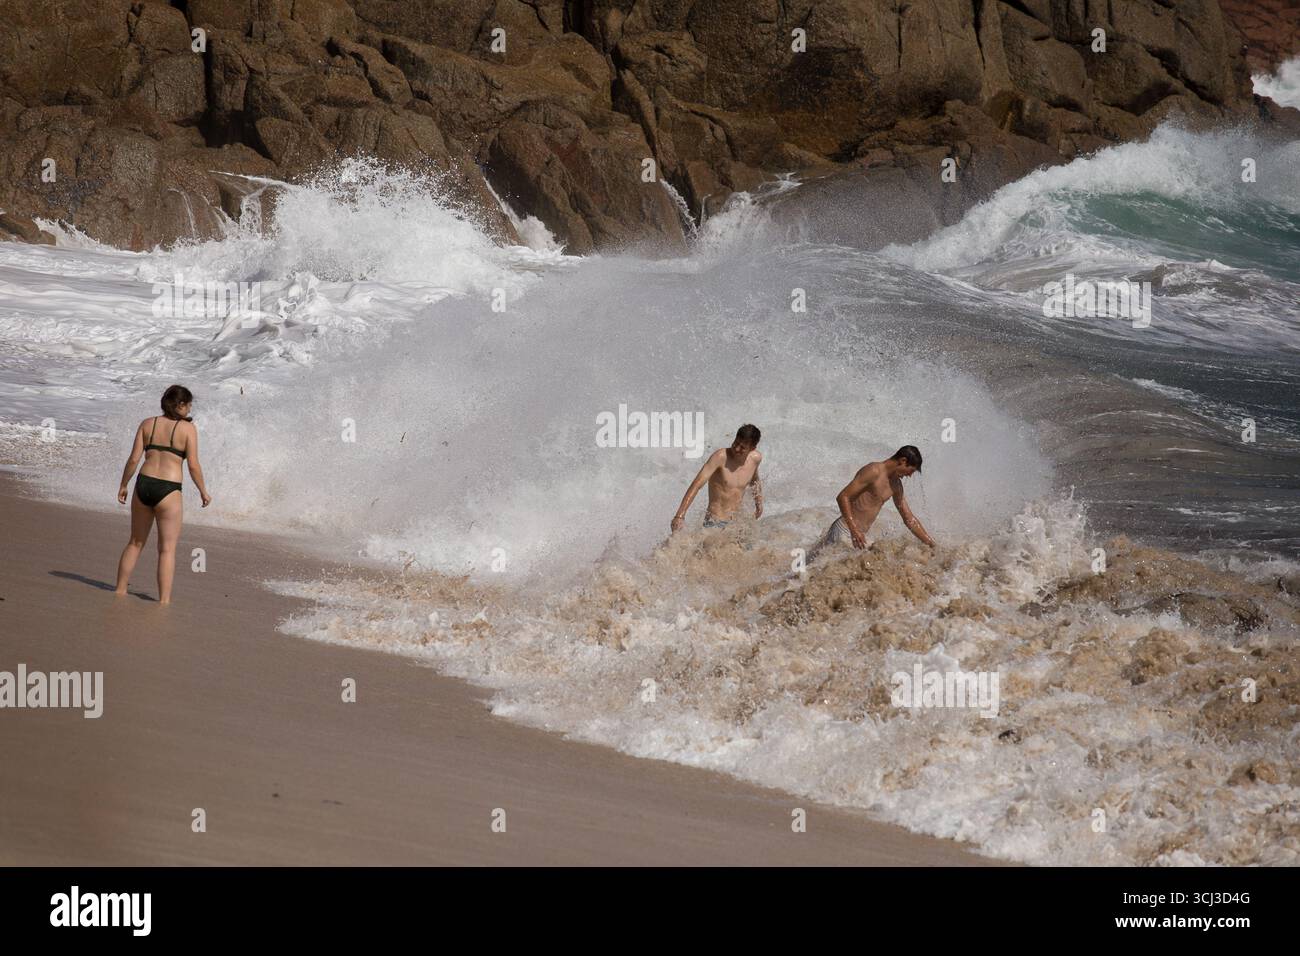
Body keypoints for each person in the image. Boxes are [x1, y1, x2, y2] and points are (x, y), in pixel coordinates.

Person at [114, 385, 212, 604]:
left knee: (135, 542)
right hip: (168, 490)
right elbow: (193, 465)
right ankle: (164, 600)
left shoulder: (148, 424)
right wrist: (203, 491)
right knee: (167, 549)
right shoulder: (188, 430)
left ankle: (120, 589)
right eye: (188, 404)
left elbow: (133, 459)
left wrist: (123, 484)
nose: (190, 408)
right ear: (180, 405)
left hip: (143, 484)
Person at [816, 445, 935, 552]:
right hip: (844, 530)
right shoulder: (874, 470)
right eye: (911, 471)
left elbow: (908, 518)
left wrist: (930, 543)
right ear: (903, 461)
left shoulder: (896, 486)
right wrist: (854, 530)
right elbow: (843, 497)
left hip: (858, 536)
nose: (909, 475)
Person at [670, 424, 763, 532]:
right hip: (714, 522)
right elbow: (697, 484)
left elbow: (755, 480)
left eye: (742, 447)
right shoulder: (720, 457)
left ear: (752, 448)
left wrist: (759, 504)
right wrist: (680, 515)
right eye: (736, 443)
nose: (737, 449)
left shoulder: (755, 459)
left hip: (737, 524)